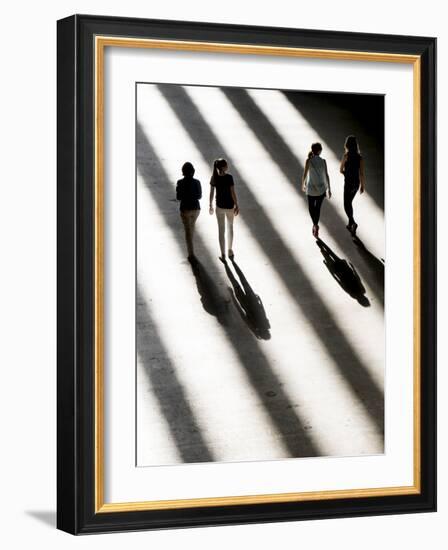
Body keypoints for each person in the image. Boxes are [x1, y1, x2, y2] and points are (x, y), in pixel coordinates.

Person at [209, 158, 239, 261]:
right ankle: (230, 250)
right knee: (230, 228)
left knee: (221, 230)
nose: (227, 166)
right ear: (223, 167)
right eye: (226, 165)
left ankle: (223, 254)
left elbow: (212, 192)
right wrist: (236, 204)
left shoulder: (214, 177)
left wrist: (210, 205)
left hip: (219, 207)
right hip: (230, 207)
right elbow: (232, 192)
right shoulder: (229, 177)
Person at [301, 142, 331, 238]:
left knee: (311, 208)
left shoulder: (308, 161)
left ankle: (315, 225)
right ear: (320, 151)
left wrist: (303, 184)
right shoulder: (323, 161)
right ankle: (315, 225)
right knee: (317, 208)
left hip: (311, 189)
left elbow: (305, 174)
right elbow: (326, 175)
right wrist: (329, 189)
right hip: (321, 189)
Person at [339, 135, 366, 235]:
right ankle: (351, 223)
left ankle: (353, 222)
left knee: (346, 203)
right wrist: (362, 186)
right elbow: (362, 173)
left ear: (347, 145)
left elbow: (340, 169)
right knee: (349, 202)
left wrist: (346, 173)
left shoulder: (346, 156)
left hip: (348, 183)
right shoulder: (360, 158)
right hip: (356, 183)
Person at [176, 161, 202, 260]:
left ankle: (191, 254)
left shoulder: (180, 182)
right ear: (193, 171)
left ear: (183, 172)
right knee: (191, 227)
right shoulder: (197, 182)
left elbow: (178, 197)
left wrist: (185, 195)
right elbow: (199, 196)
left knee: (188, 231)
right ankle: (191, 250)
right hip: (196, 208)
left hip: (185, 209)